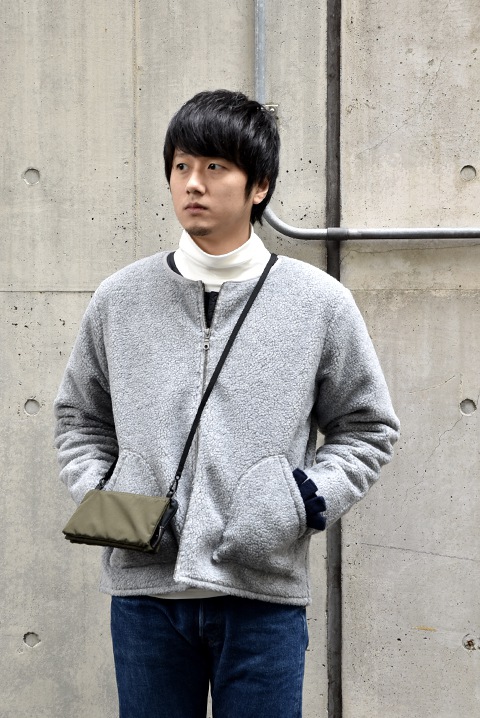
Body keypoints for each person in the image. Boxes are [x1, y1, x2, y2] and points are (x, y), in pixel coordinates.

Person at [54, 89, 400, 718]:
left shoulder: (318, 303)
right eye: (182, 166)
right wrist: (109, 496)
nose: (193, 183)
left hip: (261, 597)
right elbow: (80, 419)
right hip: (146, 596)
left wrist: (298, 502)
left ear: (259, 186)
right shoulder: (119, 299)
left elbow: (366, 428)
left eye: (215, 167)